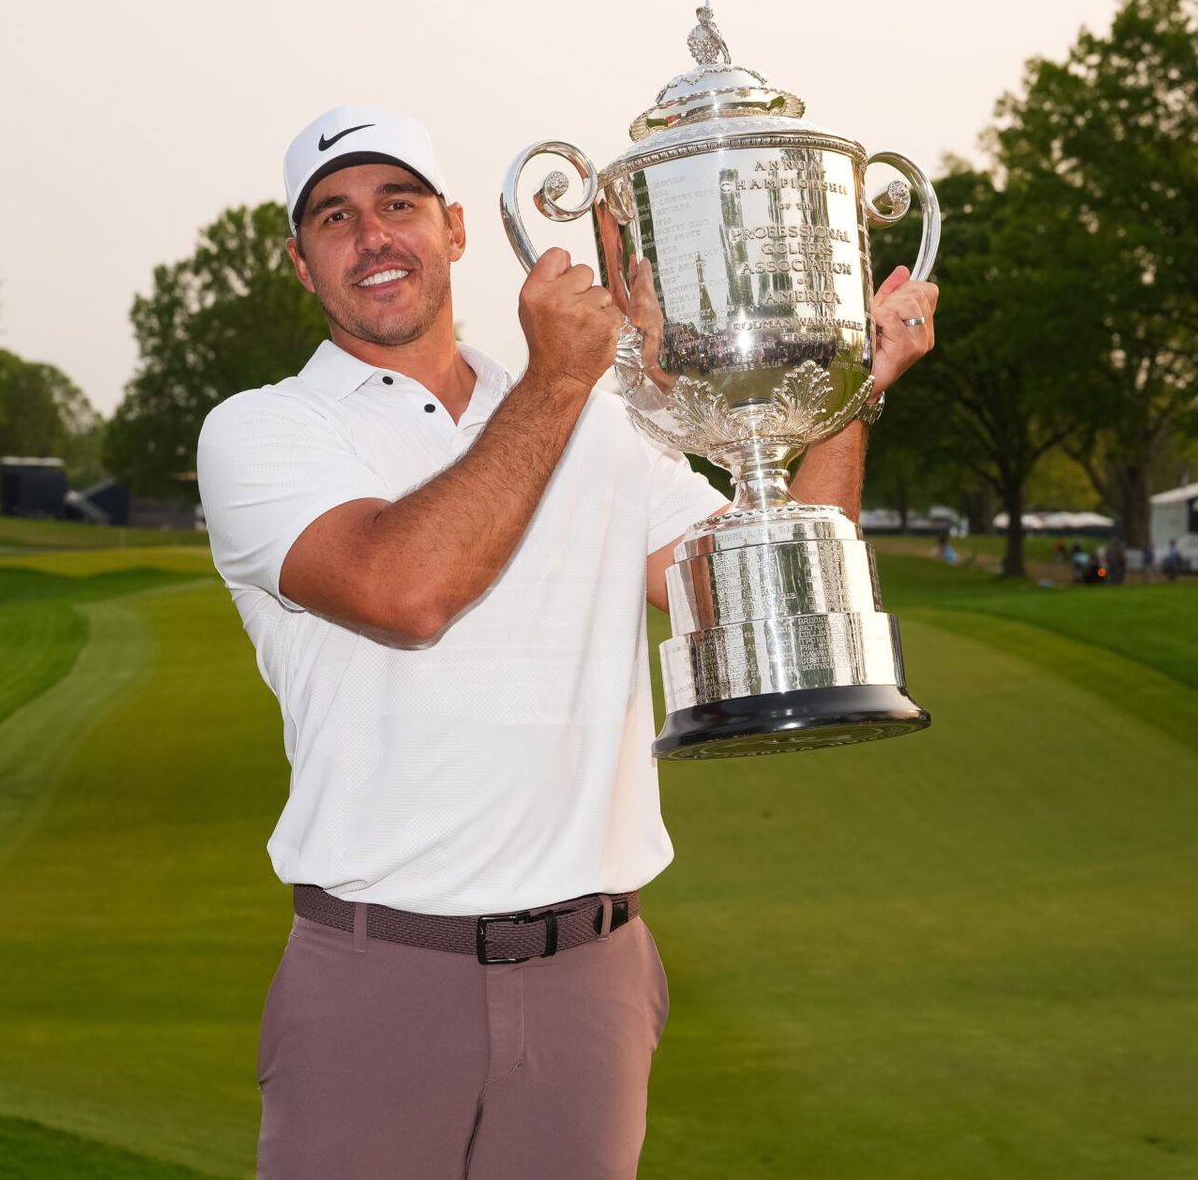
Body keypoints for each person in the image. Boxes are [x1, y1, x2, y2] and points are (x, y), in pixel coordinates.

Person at [196, 105, 938, 1180]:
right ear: (300, 262)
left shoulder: (603, 419)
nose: (373, 235)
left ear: (454, 228)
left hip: (591, 974)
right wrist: (559, 376)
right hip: (379, 972)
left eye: (398, 203)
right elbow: (404, 590)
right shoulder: (265, 428)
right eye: (335, 216)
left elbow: (755, 600)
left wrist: (847, 391)